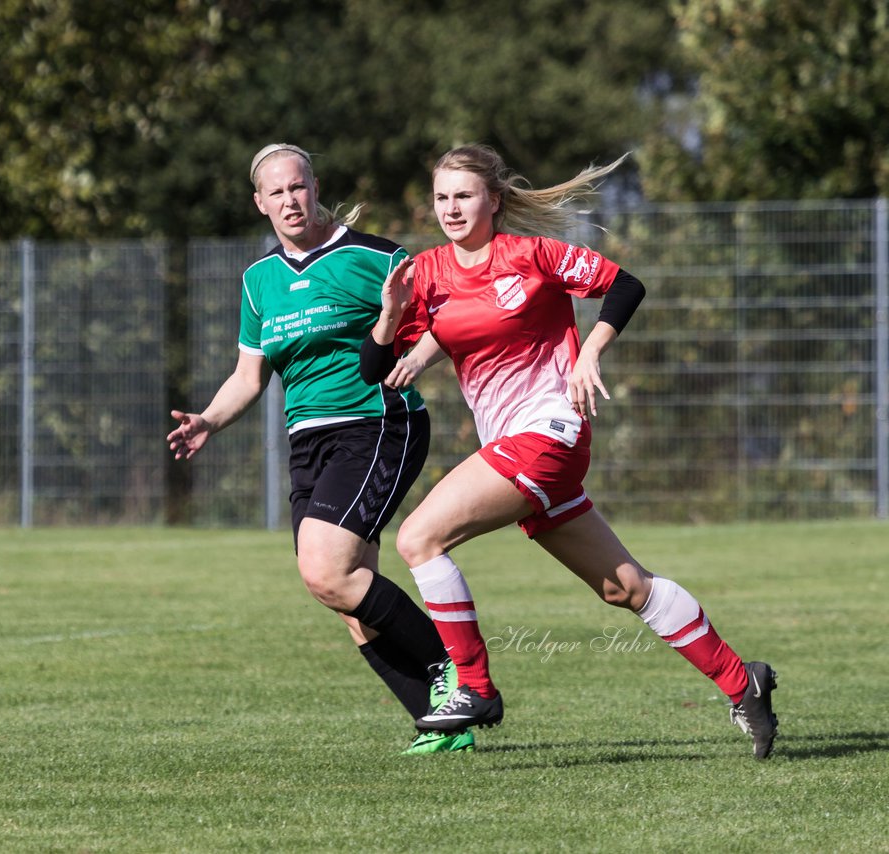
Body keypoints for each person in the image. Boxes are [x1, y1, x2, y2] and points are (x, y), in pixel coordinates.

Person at [360, 143, 779, 760]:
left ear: (493, 201)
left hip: (549, 433)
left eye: (464, 195)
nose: (451, 208)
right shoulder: (425, 275)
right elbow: (378, 367)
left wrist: (590, 351)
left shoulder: (530, 254)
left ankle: (474, 689)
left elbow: (625, 285)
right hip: (511, 444)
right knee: (625, 588)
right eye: (442, 197)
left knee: (419, 539)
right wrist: (390, 316)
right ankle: (746, 683)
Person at [168, 143, 472, 754]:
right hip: (307, 442)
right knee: (348, 596)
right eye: (276, 192)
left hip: (377, 423)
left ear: (315, 186)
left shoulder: (375, 257)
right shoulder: (259, 282)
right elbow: (249, 377)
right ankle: (438, 724)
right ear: (260, 204)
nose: (290, 200)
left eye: (298, 186)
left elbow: (443, 324)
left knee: (326, 570)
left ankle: (458, 675)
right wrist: (208, 420)